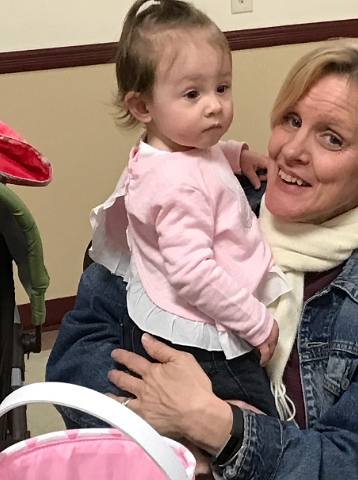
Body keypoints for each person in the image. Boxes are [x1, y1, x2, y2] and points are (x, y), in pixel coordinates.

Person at [47, 38, 358, 479]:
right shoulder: (197, 202)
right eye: (292, 120)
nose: (291, 150)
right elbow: (80, 348)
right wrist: (152, 426)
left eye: (332, 138)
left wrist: (220, 426)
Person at [83, 0, 292, 421]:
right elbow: (193, 272)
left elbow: (204, 156)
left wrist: (236, 155)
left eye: (222, 88)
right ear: (143, 107)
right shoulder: (179, 188)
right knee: (260, 422)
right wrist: (256, 323)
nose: (214, 105)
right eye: (193, 94)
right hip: (202, 337)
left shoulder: (169, 148)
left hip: (165, 309)